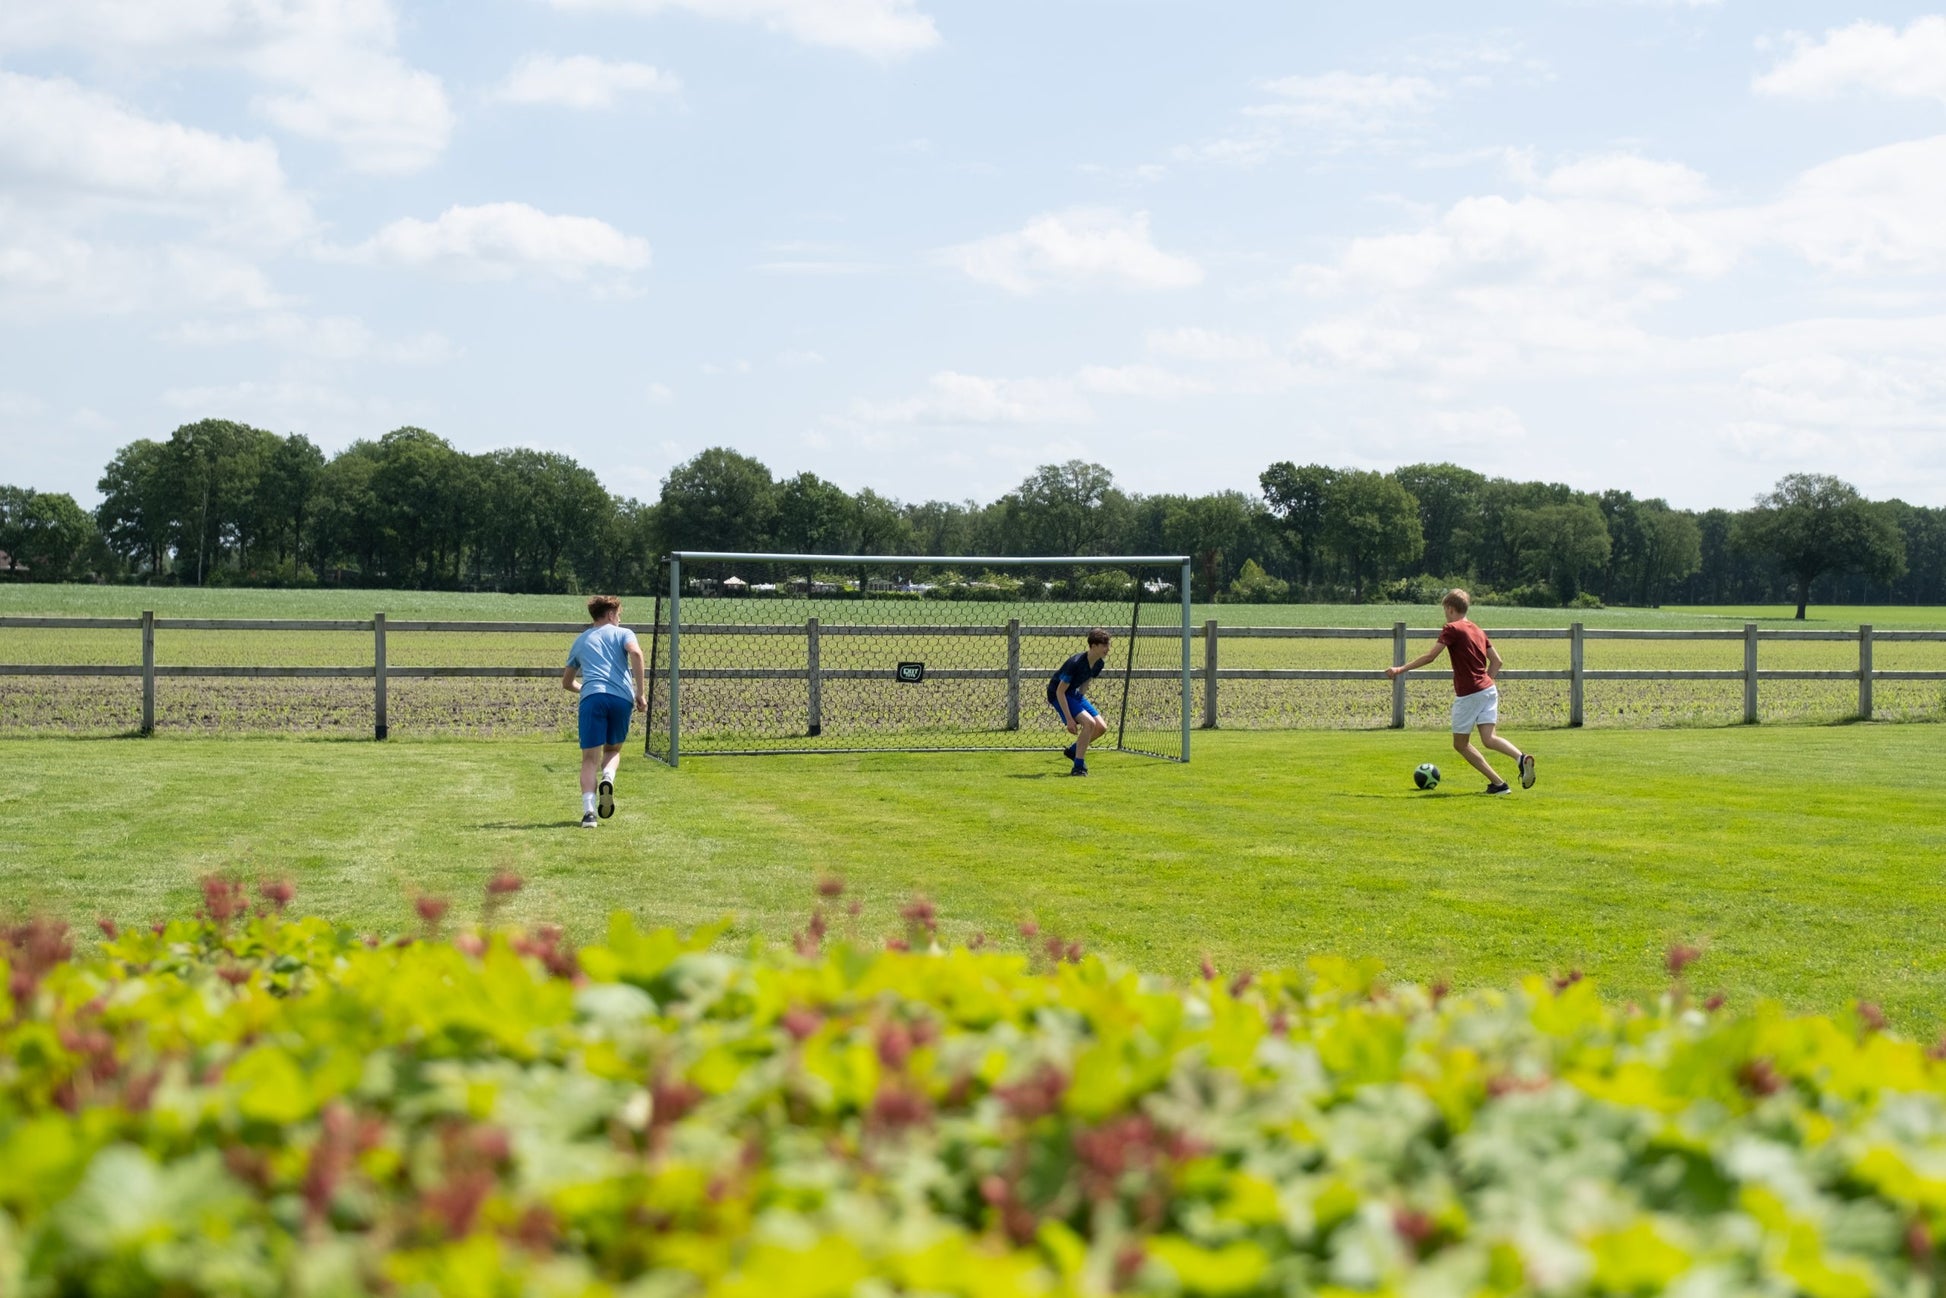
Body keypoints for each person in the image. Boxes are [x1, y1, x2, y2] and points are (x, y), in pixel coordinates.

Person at [1385, 589, 1536, 796]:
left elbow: (1431, 657)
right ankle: (1520, 758)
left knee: (1460, 744)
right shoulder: (1477, 629)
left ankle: (1499, 784)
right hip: (1488, 689)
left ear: (1449, 608)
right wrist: (1486, 683)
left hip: (1470, 693)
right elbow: (1497, 661)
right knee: (1489, 738)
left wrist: (1400, 669)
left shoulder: (1451, 628)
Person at [561, 595, 646, 828]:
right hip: (621, 699)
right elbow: (636, 654)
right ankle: (608, 778)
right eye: (618, 615)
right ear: (610, 614)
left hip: (592, 699)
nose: (619, 619)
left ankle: (589, 814)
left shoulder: (581, 640)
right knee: (613, 750)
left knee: (589, 759)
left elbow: (567, 682)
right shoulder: (623, 633)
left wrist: (588, 690)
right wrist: (640, 692)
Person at [1048, 628, 1112, 777]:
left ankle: (1073, 751)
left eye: (1108, 645)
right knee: (1089, 723)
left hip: (1073, 694)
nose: (1107, 649)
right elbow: (1059, 691)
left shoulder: (1098, 664)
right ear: (1093, 646)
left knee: (1101, 727)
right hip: (1058, 694)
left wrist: (1080, 699)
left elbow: (1086, 680)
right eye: (1104, 645)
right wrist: (1070, 719)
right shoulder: (1075, 663)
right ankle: (1078, 768)